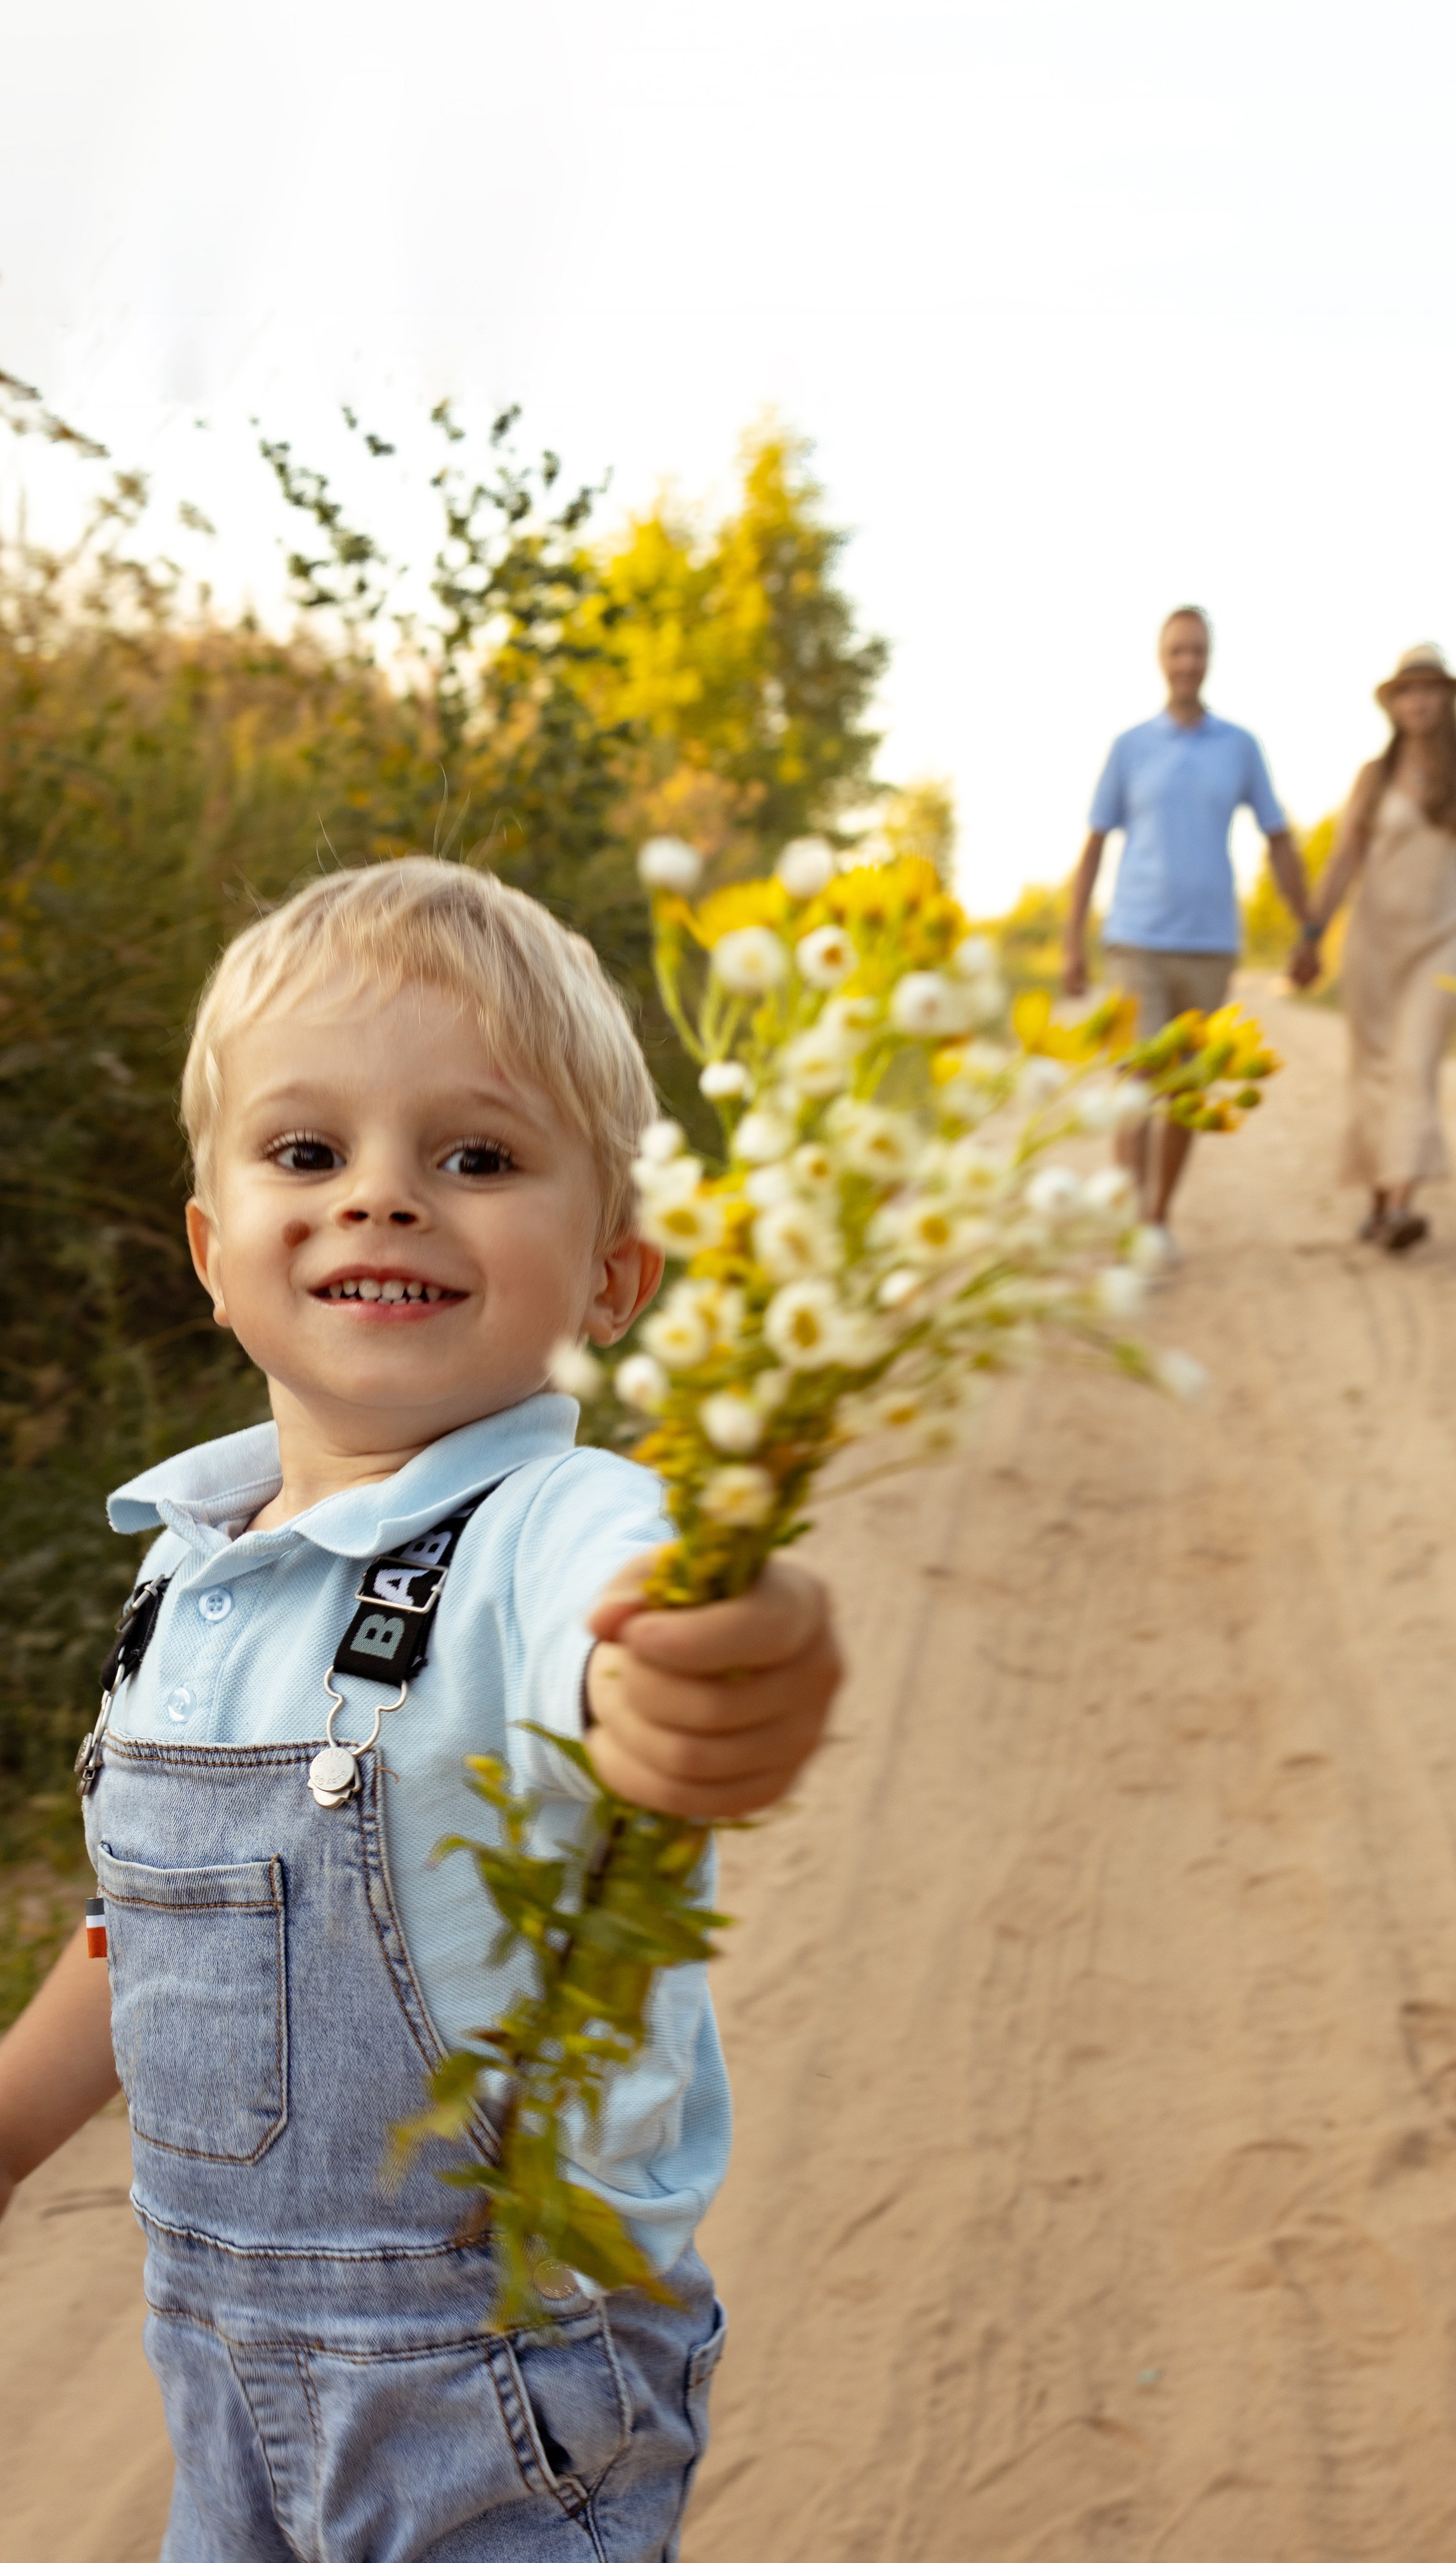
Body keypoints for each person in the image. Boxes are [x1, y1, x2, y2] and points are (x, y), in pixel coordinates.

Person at [0, 858, 841, 2561]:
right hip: (216, 2358)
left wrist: (728, 1655)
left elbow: (652, 1619)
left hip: (500, 2391)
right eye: (307, 1152)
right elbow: (152, 1926)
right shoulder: (189, 1563)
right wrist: (11, 2117)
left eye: (476, 1155)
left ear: (612, 1277)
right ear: (212, 1253)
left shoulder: (555, 1530)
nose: (382, 1196)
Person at [1062, 605, 1315, 1268]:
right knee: (1134, 1082)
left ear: (1210, 658)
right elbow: (1091, 847)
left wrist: (1308, 926)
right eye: (1176, 651)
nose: (1186, 662)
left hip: (1209, 945)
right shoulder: (1129, 747)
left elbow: (1278, 838)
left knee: (1185, 1088)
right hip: (1136, 937)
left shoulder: (1240, 747)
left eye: (1197, 651)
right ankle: (1127, 1221)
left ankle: (1156, 1216)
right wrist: (1070, 942)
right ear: (1160, 658)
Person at [1294, 642, 1456, 1253]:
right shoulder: (1374, 776)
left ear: (1447, 700)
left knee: (1415, 1068)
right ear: (1393, 705)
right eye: (1408, 691)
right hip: (1373, 945)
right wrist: (1312, 932)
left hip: (1442, 942)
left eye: (1430, 690)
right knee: (1373, 1073)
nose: (1420, 701)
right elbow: (1343, 860)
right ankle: (1380, 1194)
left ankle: (1399, 1208)